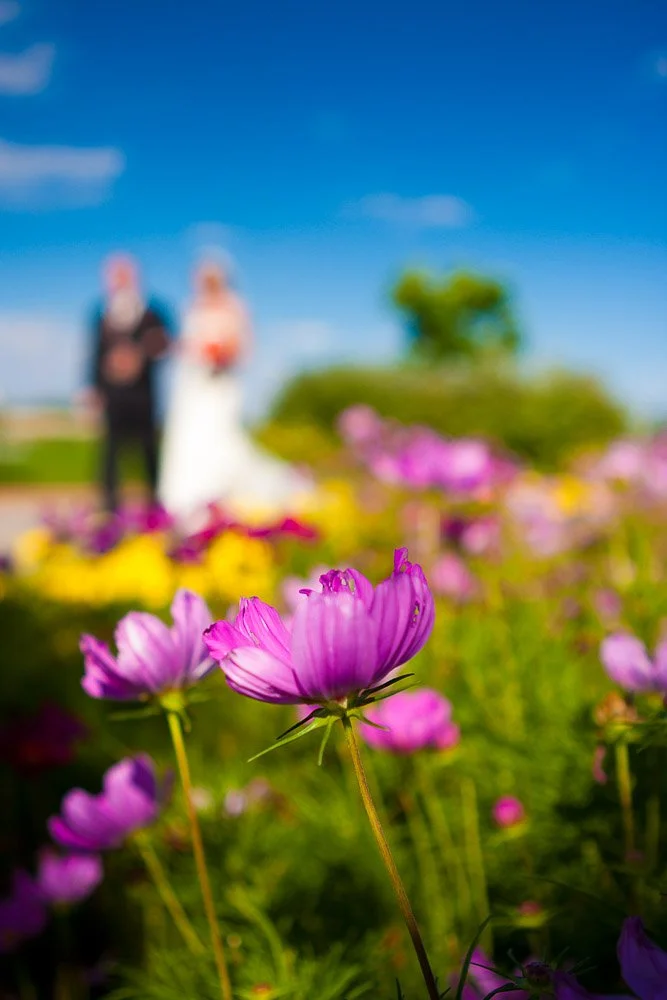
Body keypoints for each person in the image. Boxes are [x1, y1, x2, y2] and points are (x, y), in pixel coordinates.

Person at [158, 260, 309, 524]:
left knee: (219, 439)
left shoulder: (234, 306)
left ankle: (220, 501)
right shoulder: (191, 307)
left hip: (219, 384)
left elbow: (241, 347)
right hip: (193, 385)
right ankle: (183, 504)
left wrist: (219, 352)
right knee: (189, 441)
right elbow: (185, 344)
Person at [87, 255, 171, 512]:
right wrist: (93, 388)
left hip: (143, 392)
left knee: (148, 448)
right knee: (111, 450)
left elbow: (164, 344)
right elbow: (93, 353)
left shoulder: (153, 311)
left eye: (123, 274)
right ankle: (109, 505)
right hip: (113, 393)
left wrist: (138, 358)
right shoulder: (100, 313)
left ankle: (154, 502)